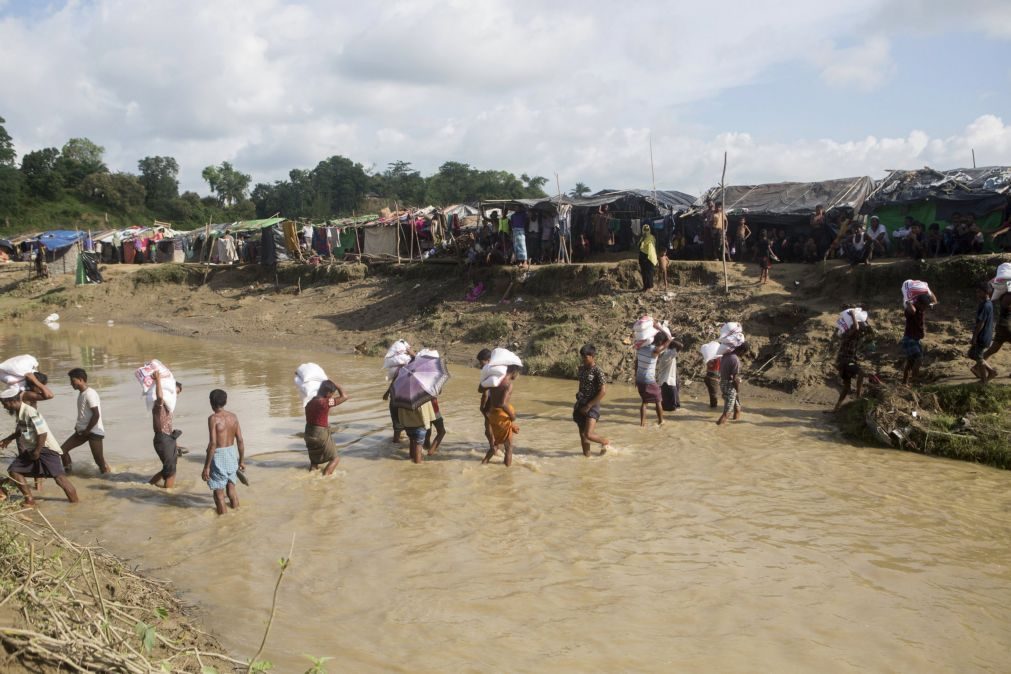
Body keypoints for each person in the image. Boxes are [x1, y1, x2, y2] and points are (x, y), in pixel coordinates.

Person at [1, 387, 78, 505]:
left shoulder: (29, 412)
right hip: (34, 448)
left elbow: (42, 433)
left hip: (45, 449)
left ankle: (76, 504)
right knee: (14, 471)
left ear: (10, 402)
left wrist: (37, 452)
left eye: (4, 404)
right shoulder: (21, 412)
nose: (4, 407)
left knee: (60, 479)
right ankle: (29, 500)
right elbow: (22, 430)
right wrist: (8, 439)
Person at [201, 389, 245, 515]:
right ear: (225, 401)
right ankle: (237, 514)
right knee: (231, 489)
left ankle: (224, 521)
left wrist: (207, 467)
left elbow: (213, 443)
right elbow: (240, 440)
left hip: (219, 456)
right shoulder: (233, 417)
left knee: (218, 493)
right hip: (231, 454)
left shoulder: (213, 419)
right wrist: (241, 460)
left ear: (211, 402)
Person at [60, 368, 110, 473]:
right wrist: (78, 426)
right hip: (82, 431)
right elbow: (85, 413)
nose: (71, 384)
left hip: (93, 432)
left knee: (99, 461)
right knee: (62, 451)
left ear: (81, 379)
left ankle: (108, 479)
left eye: (73, 381)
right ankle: (69, 473)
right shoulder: (82, 393)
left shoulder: (90, 393)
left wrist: (87, 430)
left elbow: (96, 415)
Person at [303, 379, 349, 474]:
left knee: (314, 462)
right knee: (335, 458)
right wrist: (337, 384)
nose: (332, 395)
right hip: (320, 433)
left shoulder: (308, 400)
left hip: (308, 432)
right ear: (328, 393)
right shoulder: (325, 402)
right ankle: (325, 478)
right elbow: (345, 397)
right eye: (332, 393)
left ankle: (311, 479)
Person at [148, 371, 184, 488]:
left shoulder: (168, 407)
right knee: (171, 472)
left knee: (168, 469)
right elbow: (159, 397)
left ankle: (149, 486)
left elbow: (169, 426)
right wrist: (158, 380)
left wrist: (175, 444)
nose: (176, 396)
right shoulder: (160, 404)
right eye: (175, 392)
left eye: (177, 394)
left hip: (168, 439)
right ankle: (168, 496)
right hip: (162, 439)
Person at [573, 344, 609, 457]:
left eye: (585, 357)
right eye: (582, 357)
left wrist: (589, 405)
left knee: (588, 434)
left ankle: (605, 442)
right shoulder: (581, 369)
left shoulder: (598, 371)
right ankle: (587, 458)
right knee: (583, 436)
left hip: (592, 406)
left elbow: (603, 391)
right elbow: (581, 385)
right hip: (581, 404)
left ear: (593, 356)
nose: (583, 359)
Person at [833, 310, 872, 411]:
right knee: (861, 373)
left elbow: (865, 328)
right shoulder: (847, 334)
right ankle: (858, 397)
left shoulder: (857, 336)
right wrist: (853, 315)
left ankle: (836, 408)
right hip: (845, 362)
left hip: (846, 362)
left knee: (846, 388)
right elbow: (856, 327)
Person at [482, 365, 521, 467]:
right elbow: (503, 403)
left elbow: (486, 394)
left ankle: (483, 463)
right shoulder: (508, 384)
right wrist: (512, 416)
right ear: (513, 372)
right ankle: (507, 474)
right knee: (509, 448)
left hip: (493, 415)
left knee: (497, 443)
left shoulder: (495, 382)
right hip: (502, 415)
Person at [636, 323, 670, 427]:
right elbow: (669, 339)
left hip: (639, 379)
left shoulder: (640, 348)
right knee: (658, 400)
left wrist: (635, 378)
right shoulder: (655, 351)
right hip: (649, 380)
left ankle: (642, 424)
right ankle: (661, 421)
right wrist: (660, 328)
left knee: (644, 402)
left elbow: (636, 363)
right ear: (660, 342)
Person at [901, 291, 937, 385]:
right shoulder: (910, 310)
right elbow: (912, 310)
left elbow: (934, 301)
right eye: (924, 305)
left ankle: (904, 383)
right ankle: (915, 381)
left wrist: (928, 289)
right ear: (918, 303)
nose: (926, 308)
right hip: (909, 339)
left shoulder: (921, 309)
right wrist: (908, 301)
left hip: (916, 340)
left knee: (910, 363)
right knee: (919, 359)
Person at [969, 283, 998, 384]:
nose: (977, 293)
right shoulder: (985, 304)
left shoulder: (986, 305)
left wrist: (975, 337)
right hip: (985, 334)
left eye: (979, 291)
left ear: (986, 293)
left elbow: (981, 323)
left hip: (983, 335)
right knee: (972, 354)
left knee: (978, 356)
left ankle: (984, 379)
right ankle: (990, 371)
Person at [982, 280, 1011, 366]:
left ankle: (978, 366)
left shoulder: (1003, 295)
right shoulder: (1009, 296)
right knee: (993, 349)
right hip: (1008, 327)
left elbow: (990, 283)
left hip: (1001, 327)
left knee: (992, 350)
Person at [398, 400, 436, 464]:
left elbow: (400, 414)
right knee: (418, 446)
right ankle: (417, 467)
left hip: (408, 425)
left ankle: (411, 460)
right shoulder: (423, 398)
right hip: (420, 426)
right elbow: (426, 414)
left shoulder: (403, 400)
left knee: (412, 441)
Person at [716, 343, 745, 425]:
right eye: (744, 352)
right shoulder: (735, 359)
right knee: (727, 412)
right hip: (730, 386)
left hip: (723, 383)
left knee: (737, 405)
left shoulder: (726, 355)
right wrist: (737, 388)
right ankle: (719, 426)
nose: (744, 354)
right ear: (742, 350)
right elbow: (735, 378)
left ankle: (735, 421)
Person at [476, 349, 496, 456]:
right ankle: (498, 449)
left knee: (488, 430)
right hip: (499, 402)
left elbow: (484, 392)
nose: (480, 365)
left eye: (481, 362)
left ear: (488, 360)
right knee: (495, 428)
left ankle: (493, 449)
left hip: (490, 403)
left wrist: (482, 406)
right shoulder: (497, 370)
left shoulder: (487, 371)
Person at [656, 336, 684, 412]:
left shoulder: (666, 352)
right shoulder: (668, 354)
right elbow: (680, 346)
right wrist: (671, 340)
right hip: (668, 383)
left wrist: (670, 341)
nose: (678, 351)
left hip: (668, 382)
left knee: (671, 406)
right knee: (670, 408)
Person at [637, 224, 658, 291]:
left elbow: (651, 247)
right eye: (645, 230)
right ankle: (645, 287)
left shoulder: (651, 237)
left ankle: (650, 287)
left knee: (649, 273)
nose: (646, 231)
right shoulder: (642, 238)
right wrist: (643, 239)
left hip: (649, 257)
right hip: (643, 256)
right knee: (644, 272)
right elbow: (639, 246)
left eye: (647, 230)